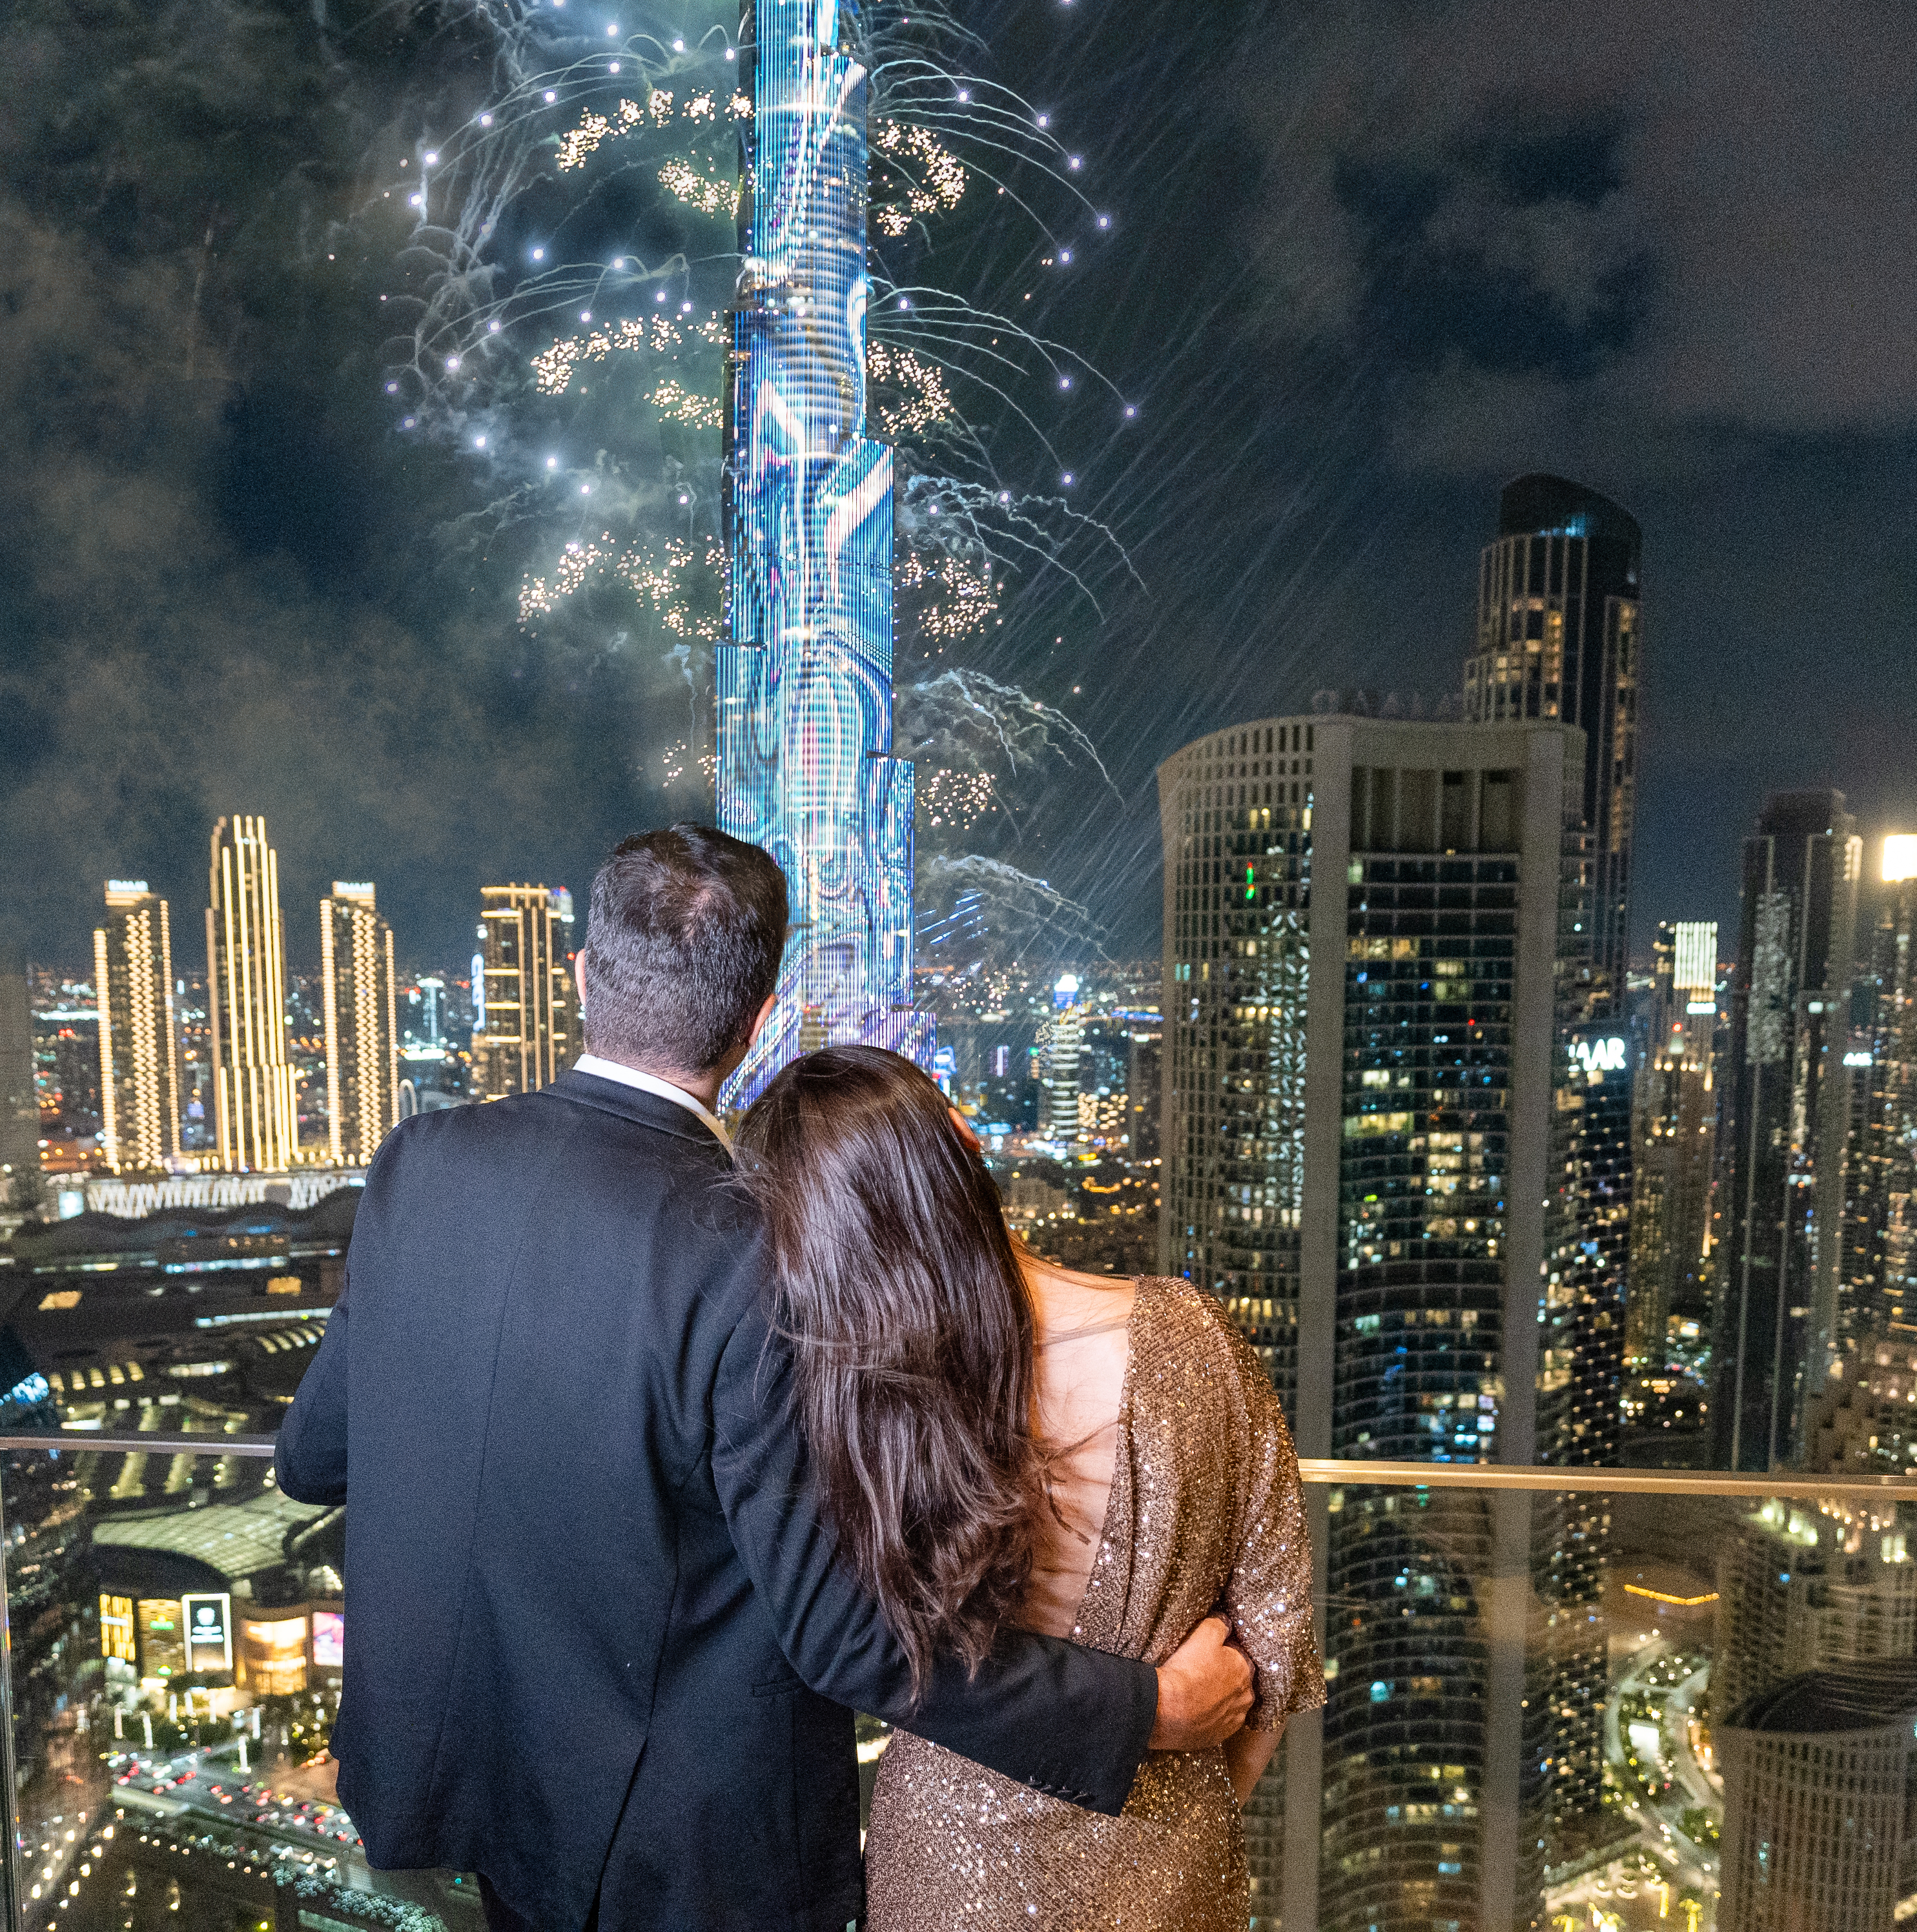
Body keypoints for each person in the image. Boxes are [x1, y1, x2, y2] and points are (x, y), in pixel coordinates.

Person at [276, 826, 1255, 1932]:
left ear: (584, 976)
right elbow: (845, 1638)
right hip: (678, 1852)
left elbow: (312, 1460)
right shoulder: (755, 1244)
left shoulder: (421, 1160)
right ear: (754, 1022)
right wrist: (1147, 1709)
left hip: (472, 1785)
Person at [739, 1042, 1324, 1932]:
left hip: (939, 1870)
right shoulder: (1196, 1344)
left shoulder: (850, 1409)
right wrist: (1166, 1845)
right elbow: (1272, 1661)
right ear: (968, 1140)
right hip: (1165, 1863)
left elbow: (852, 1642)